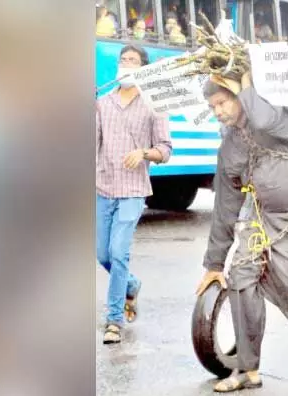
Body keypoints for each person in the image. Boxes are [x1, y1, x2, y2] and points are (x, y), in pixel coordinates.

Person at [195, 71, 288, 392]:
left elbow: (263, 120)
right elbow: (225, 208)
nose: (217, 111)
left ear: (240, 95)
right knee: (241, 277)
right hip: (262, 215)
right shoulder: (228, 149)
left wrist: (245, 84)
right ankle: (246, 368)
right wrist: (214, 264)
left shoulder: (275, 116)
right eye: (212, 106)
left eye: (222, 102)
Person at [96, 45, 172, 344]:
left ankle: (113, 320)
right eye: (123, 60)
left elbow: (165, 149)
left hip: (133, 190)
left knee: (118, 252)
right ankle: (131, 284)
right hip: (102, 187)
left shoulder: (154, 105)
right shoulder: (102, 102)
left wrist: (143, 153)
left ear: (144, 68)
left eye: (133, 61)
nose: (126, 64)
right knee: (102, 254)